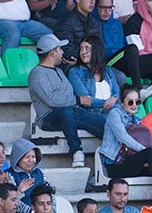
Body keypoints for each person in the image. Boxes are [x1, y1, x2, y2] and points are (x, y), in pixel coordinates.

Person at [28, 34, 99, 167]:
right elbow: (52, 100)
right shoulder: (37, 73)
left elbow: (67, 95)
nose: (63, 52)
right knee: (66, 111)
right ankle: (76, 151)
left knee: (102, 122)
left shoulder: (59, 71)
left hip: (70, 112)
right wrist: (78, 100)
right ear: (53, 52)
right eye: (60, 49)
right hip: (48, 117)